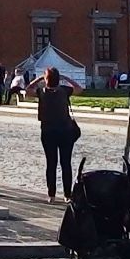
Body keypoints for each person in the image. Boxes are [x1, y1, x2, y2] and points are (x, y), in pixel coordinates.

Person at [32, 66, 79, 202]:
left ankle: (51, 195)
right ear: (58, 79)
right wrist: (67, 78)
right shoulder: (64, 90)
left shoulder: (41, 91)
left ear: (46, 80)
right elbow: (79, 89)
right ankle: (67, 195)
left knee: (51, 163)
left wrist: (38, 79)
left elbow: (27, 90)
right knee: (66, 163)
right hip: (65, 130)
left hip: (47, 131)